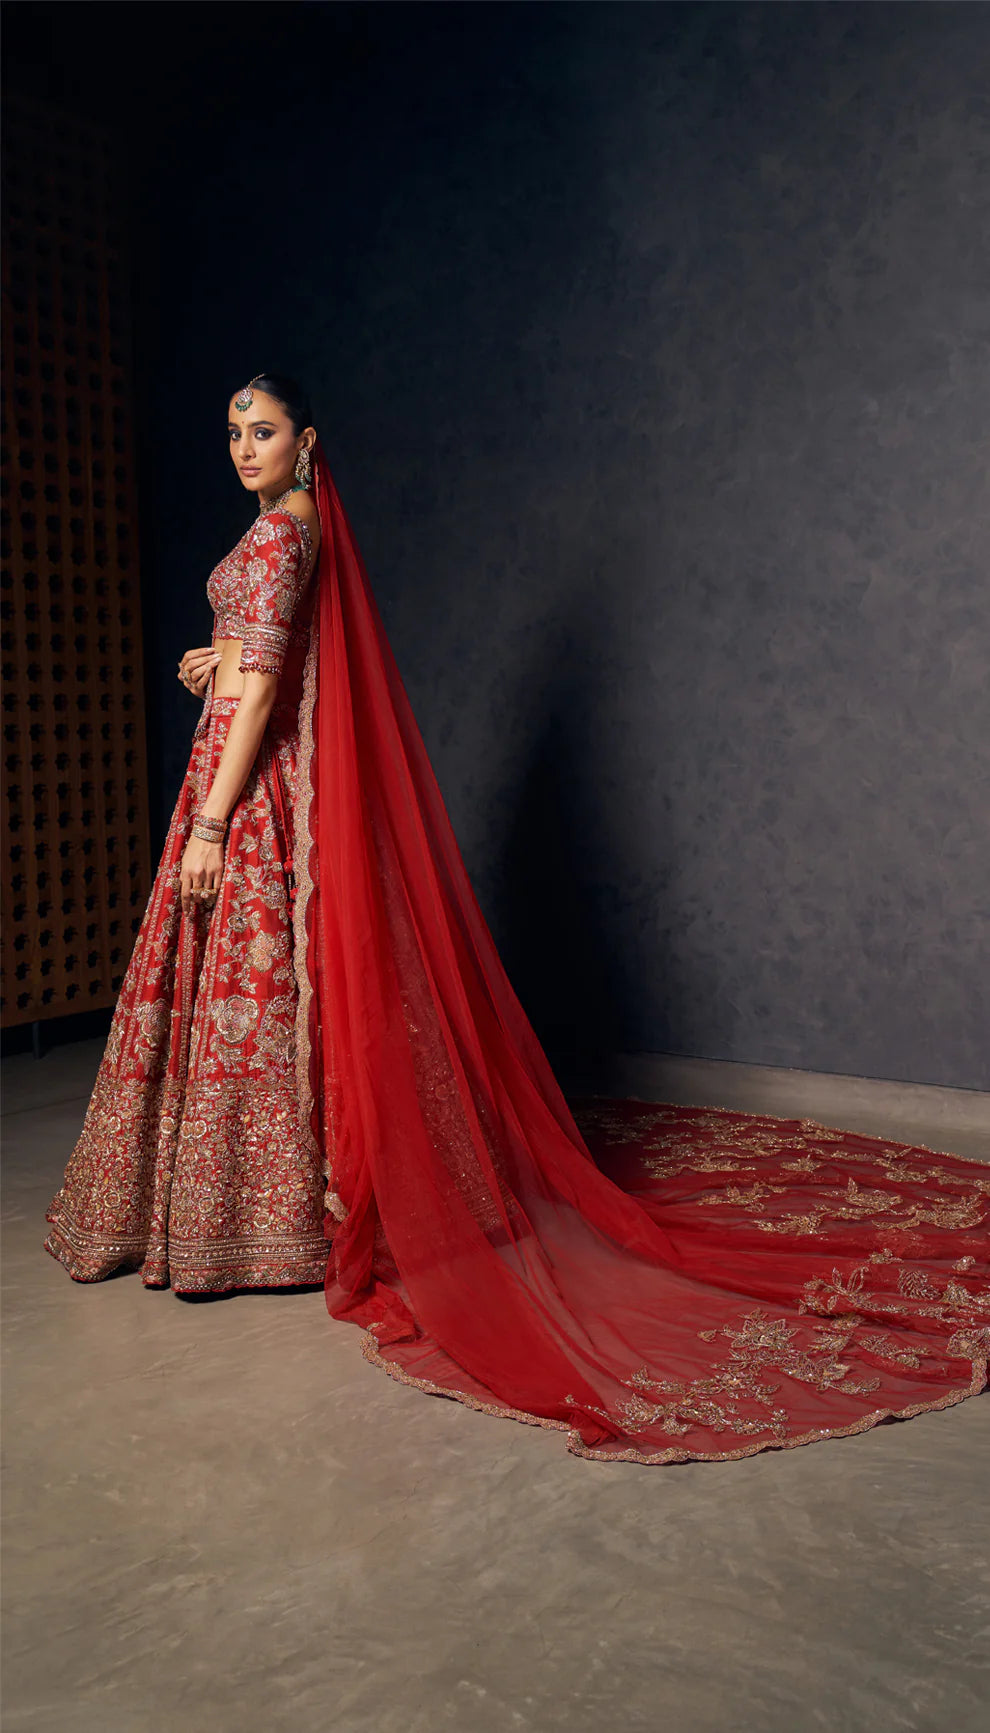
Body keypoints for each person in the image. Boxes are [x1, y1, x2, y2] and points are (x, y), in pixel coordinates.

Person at [46, 375, 989, 1464]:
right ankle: (283, 1205)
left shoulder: (278, 538)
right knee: (275, 997)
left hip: (246, 797)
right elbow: (272, 664)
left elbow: (264, 696)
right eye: (230, 433)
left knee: (258, 995)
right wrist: (224, 662)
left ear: (308, 442)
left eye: (261, 432)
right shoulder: (293, 534)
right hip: (258, 775)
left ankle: (262, 1222)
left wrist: (212, 820)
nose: (241, 448)